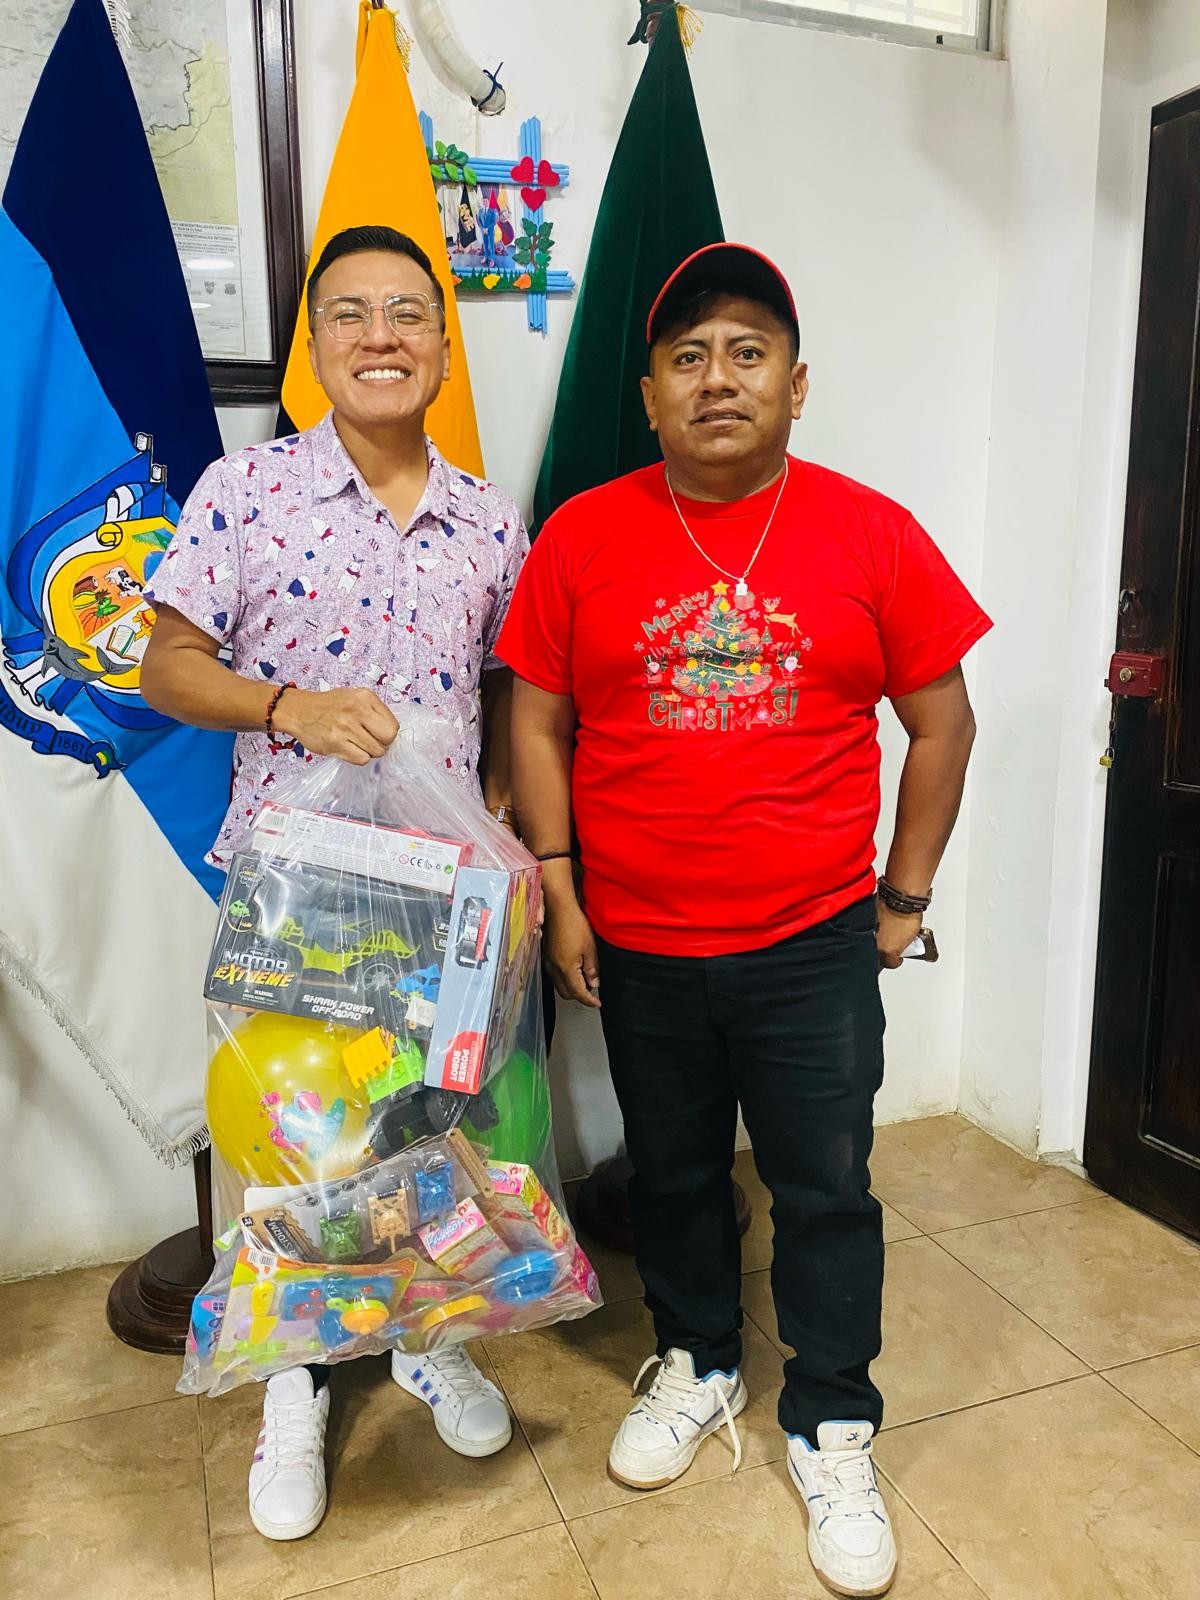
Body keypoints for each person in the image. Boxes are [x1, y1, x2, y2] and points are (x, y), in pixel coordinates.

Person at [498, 243, 990, 1599]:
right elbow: (536, 720)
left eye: (748, 352)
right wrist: (560, 885)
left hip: (811, 942)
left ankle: (833, 1422)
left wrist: (902, 899)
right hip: (640, 940)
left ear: (796, 384)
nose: (719, 378)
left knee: (824, 1189)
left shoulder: (873, 533)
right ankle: (699, 1358)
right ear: (651, 394)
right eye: (689, 357)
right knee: (670, 1177)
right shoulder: (582, 534)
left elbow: (943, 722)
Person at [141, 225, 528, 1543]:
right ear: (315, 347)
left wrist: (509, 841)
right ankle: (295, 1382)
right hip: (296, 887)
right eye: (351, 313)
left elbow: (507, 695)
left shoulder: (489, 520)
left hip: (445, 893)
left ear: (441, 346)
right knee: (294, 1144)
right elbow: (166, 667)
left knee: (427, 1132)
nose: (381, 336)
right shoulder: (246, 492)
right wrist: (289, 706)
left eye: (407, 313)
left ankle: (424, 1339)